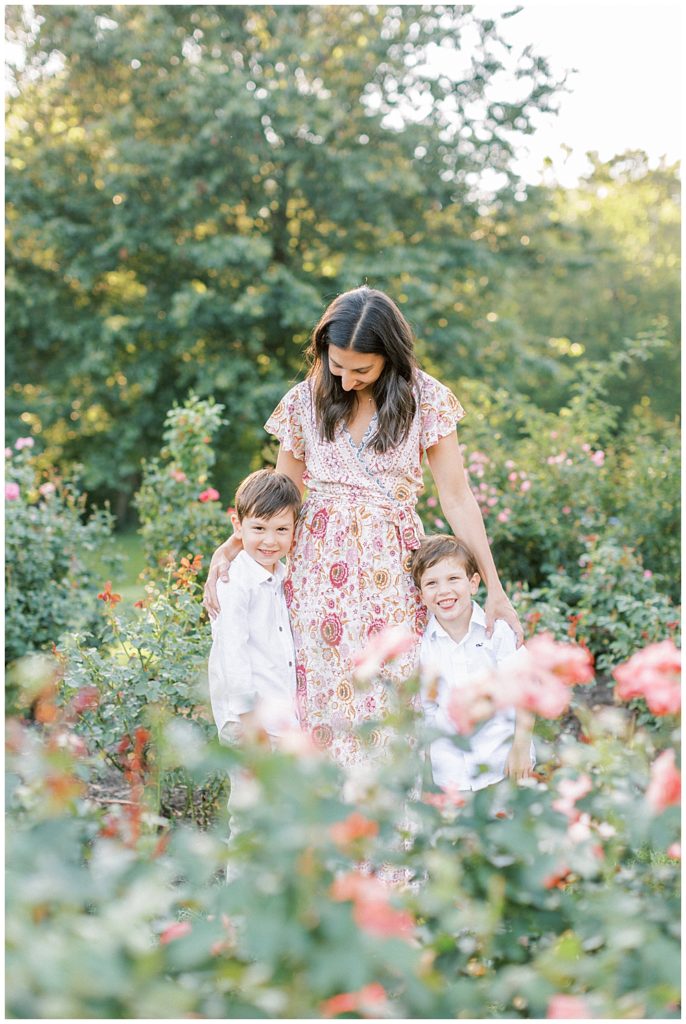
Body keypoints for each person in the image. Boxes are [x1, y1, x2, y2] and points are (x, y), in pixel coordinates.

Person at [204, 285, 523, 768]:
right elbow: (281, 497)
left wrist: (495, 588)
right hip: (316, 572)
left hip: (391, 570)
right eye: (337, 365)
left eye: (362, 369)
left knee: (392, 693)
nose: (347, 379)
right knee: (319, 696)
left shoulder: (426, 400)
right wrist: (232, 547)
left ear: (389, 357)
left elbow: (457, 497)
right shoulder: (304, 401)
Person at [411, 534, 535, 791]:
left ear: (473, 583)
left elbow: (525, 691)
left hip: (502, 765)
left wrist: (521, 748)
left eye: (453, 579)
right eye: (432, 583)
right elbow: (429, 711)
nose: (444, 591)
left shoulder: (498, 632)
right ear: (421, 595)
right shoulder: (424, 646)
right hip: (452, 776)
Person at [208, 469, 302, 746]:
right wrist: (247, 715)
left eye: (281, 529)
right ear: (238, 526)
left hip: (277, 716)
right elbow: (232, 650)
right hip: (246, 720)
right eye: (259, 528)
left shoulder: (282, 577)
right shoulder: (234, 580)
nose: (270, 541)